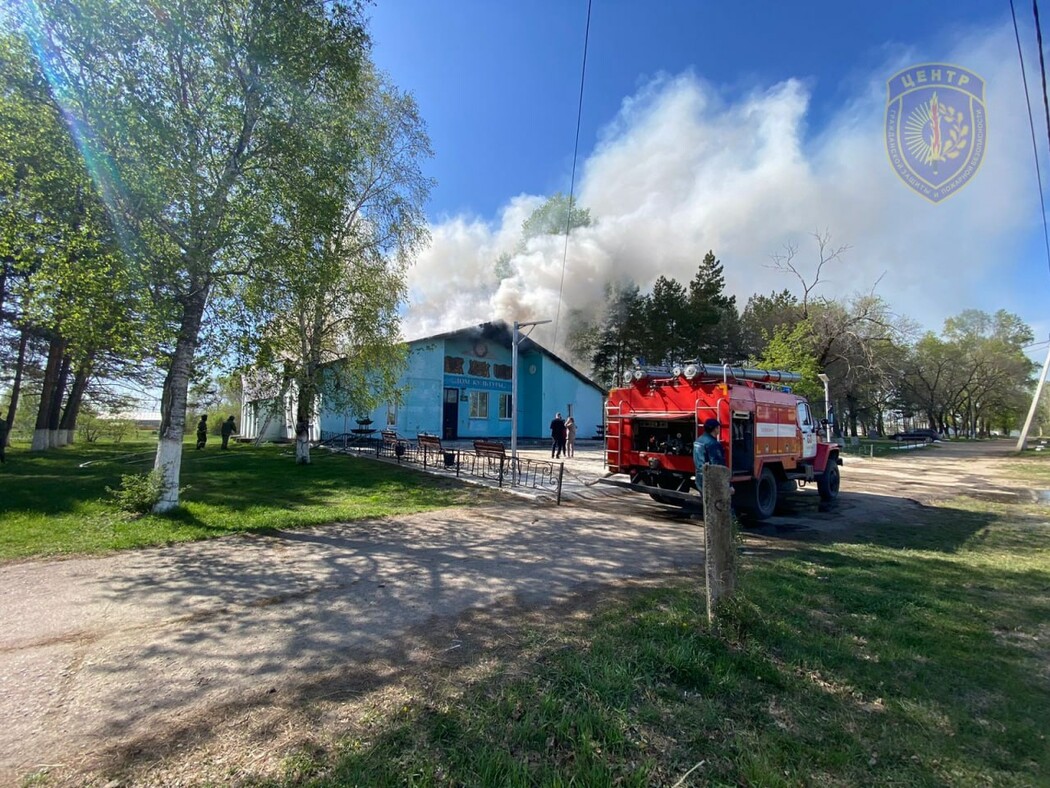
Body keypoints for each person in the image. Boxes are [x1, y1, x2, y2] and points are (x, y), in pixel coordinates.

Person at [693, 417, 726, 492]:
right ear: (715, 429)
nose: (719, 429)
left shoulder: (698, 440)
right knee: (713, 502)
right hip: (709, 478)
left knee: (705, 500)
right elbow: (717, 463)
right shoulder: (713, 444)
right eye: (718, 428)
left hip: (699, 476)